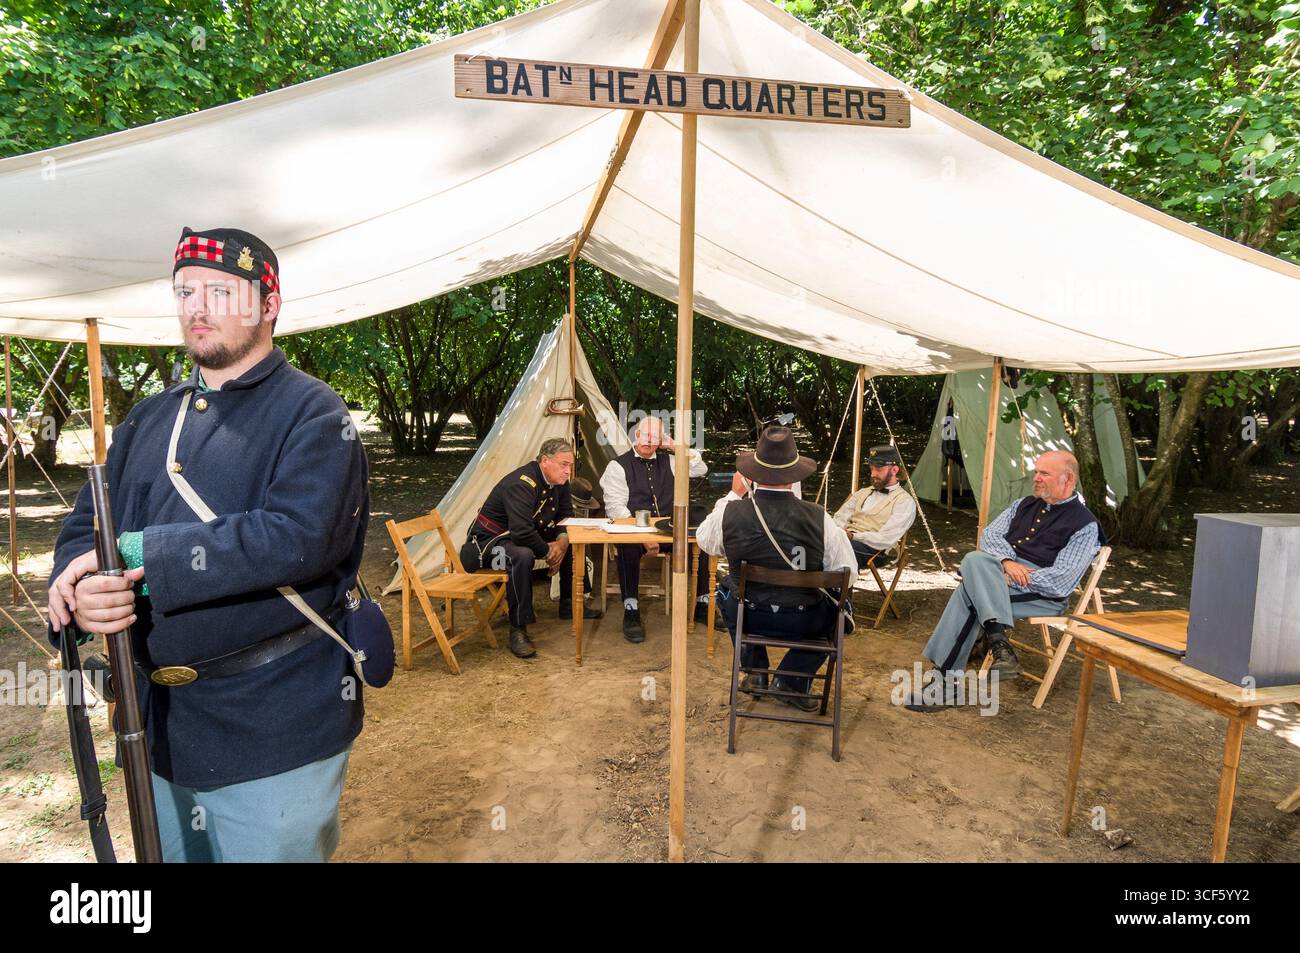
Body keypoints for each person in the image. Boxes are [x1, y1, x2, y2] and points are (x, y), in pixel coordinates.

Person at [46, 226, 370, 862]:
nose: (197, 306)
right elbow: (87, 529)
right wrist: (84, 590)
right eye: (186, 291)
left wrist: (137, 555)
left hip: (274, 723)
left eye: (221, 292)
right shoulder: (147, 417)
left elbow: (298, 537)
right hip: (156, 724)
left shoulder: (315, 414)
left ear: (268, 305)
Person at [907, 450, 1102, 712]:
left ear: (1068, 480)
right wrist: (1007, 564)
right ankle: (999, 643)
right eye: (1036, 472)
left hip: (1041, 596)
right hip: (1001, 575)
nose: (1036, 478)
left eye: (1044, 473)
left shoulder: (1085, 524)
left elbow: (1061, 581)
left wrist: (1014, 578)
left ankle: (947, 685)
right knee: (975, 559)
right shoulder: (1023, 504)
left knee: (969, 594)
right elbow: (990, 536)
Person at [697, 426, 857, 712]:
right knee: (842, 606)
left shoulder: (730, 513)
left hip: (749, 616)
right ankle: (792, 681)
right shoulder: (821, 519)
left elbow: (705, 541)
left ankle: (756, 671)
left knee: (726, 592)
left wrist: (733, 495)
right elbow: (849, 573)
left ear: (751, 475)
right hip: (804, 620)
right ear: (794, 475)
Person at [460, 438, 600, 659]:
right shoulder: (522, 484)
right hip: (488, 545)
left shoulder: (559, 482)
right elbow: (521, 532)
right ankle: (518, 629)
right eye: (564, 464)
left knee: (574, 542)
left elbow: (566, 517)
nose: (568, 471)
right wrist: (548, 552)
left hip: (519, 537)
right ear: (545, 461)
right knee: (522, 556)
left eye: (570, 465)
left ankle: (568, 604)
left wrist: (562, 544)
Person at [600, 415, 711, 642]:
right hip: (635, 531)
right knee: (627, 545)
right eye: (647, 436)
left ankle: (702, 604)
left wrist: (676, 447)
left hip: (670, 532)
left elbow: (700, 469)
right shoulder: (617, 466)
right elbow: (615, 509)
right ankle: (631, 609)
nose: (650, 442)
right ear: (637, 435)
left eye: (656, 438)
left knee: (701, 540)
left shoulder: (670, 461)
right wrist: (642, 537)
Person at [832, 444, 916, 569]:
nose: (873, 474)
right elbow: (839, 518)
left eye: (879, 470)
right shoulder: (862, 492)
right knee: (815, 543)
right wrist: (836, 533)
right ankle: (820, 586)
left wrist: (853, 536)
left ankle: (834, 587)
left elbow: (886, 538)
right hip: (846, 540)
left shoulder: (904, 501)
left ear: (894, 470)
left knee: (834, 549)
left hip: (876, 550)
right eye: (872, 469)